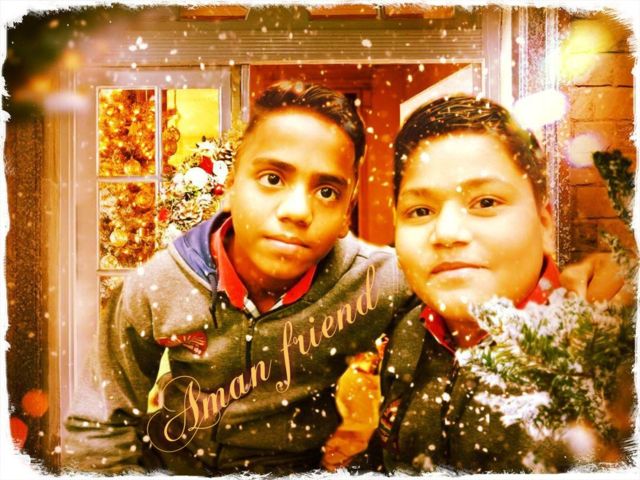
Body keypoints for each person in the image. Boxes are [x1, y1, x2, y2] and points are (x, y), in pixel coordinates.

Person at [63, 81, 412, 475]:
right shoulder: (158, 284)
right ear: (230, 188)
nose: (298, 210)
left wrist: (371, 461)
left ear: (347, 211)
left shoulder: (379, 281)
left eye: (327, 191)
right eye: (273, 178)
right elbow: (100, 425)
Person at [376, 94, 601, 473]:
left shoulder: (606, 358)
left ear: (544, 223)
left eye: (485, 202)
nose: (447, 233)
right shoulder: (408, 332)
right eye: (421, 210)